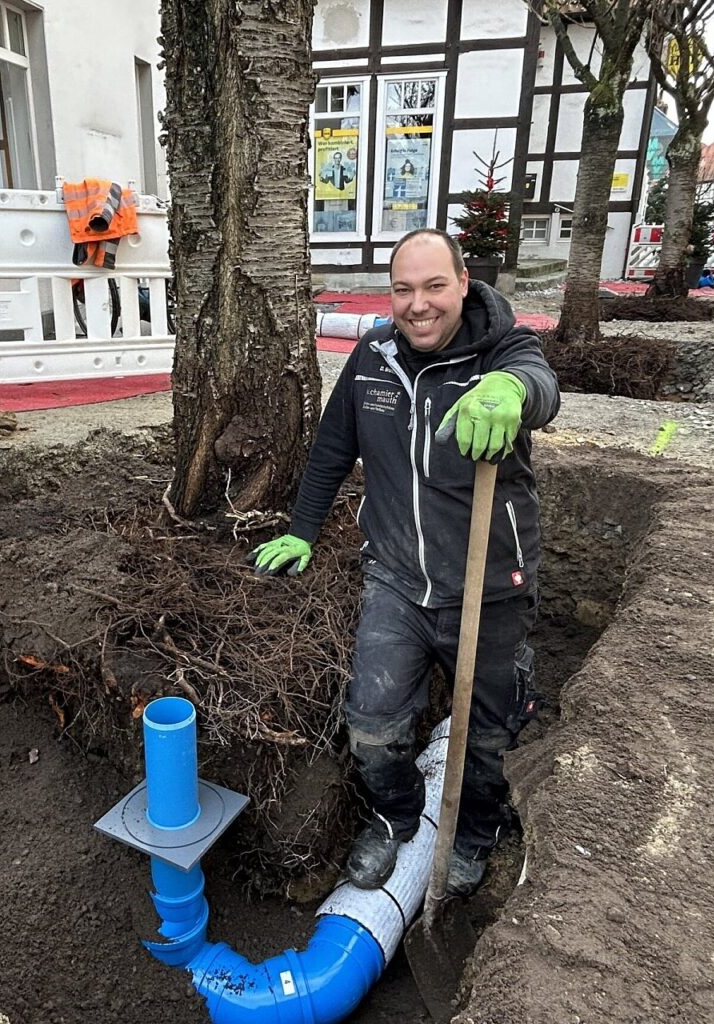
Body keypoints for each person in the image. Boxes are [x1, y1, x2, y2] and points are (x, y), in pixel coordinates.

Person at [251, 229, 559, 897]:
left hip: (488, 584)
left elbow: (541, 385)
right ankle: (394, 819)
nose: (418, 305)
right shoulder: (373, 357)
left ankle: (476, 832)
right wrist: (303, 530)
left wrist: (508, 391)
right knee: (372, 722)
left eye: (434, 287)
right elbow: (334, 448)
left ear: (464, 284)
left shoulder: (503, 347)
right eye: (403, 289)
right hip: (396, 578)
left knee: (485, 734)